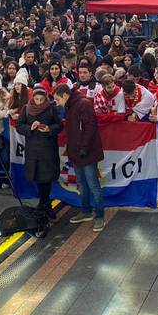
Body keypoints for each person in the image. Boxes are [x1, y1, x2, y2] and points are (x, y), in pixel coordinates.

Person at [52, 83, 105, 232]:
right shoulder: (70, 105)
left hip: (86, 151)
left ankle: (100, 216)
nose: (58, 103)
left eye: (58, 99)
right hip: (76, 151)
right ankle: (86, 211)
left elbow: (90, 128)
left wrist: (84, 147)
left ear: (64, 95)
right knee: (82, 183)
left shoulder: (83, 104)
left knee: (93, 185)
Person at [16, 85, 62, 221]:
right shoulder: (26, 109)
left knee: (46, 177)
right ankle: (43, 203)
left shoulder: (51, 109)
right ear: (33, 98)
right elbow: (19, 126)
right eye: (37, 99)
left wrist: (49, 129)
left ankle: (45, 203)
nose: (39, 102)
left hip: (48, 149)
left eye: (42, 99)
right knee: (37, 175)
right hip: (33, 149)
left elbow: (59, 125)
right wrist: (30, 127)